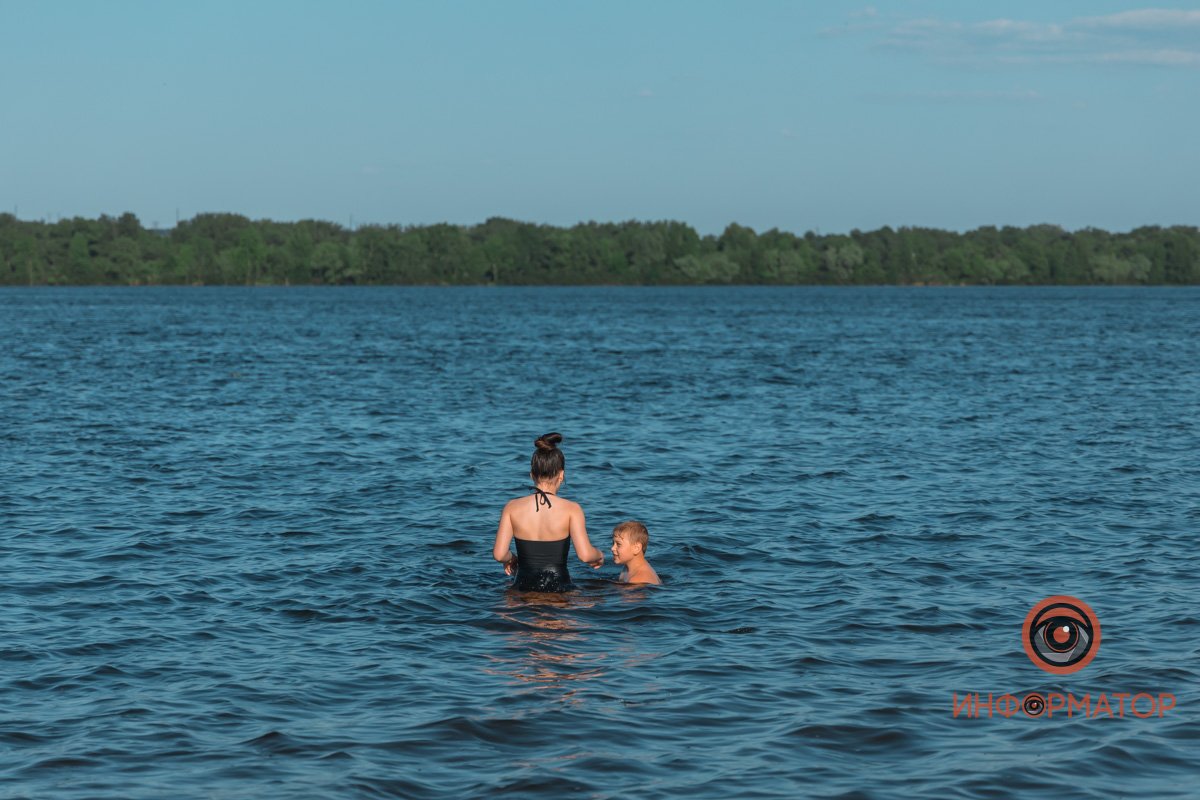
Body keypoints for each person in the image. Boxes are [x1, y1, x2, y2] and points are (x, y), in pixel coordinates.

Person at [493, 433, 605, 592]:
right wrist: (599, 555)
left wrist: (513, 559)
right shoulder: (572, 509)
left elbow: (499, 554)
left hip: (522, 588)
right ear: (561, 475)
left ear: (532, 475)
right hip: (560, 589)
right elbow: (585, 555)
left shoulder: (512, 507)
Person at [610, 520, 661, 585]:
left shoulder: (639, 580)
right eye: (613, 543)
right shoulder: (628, 567)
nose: (612, 548)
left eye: (618, 544)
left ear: (636, 548)